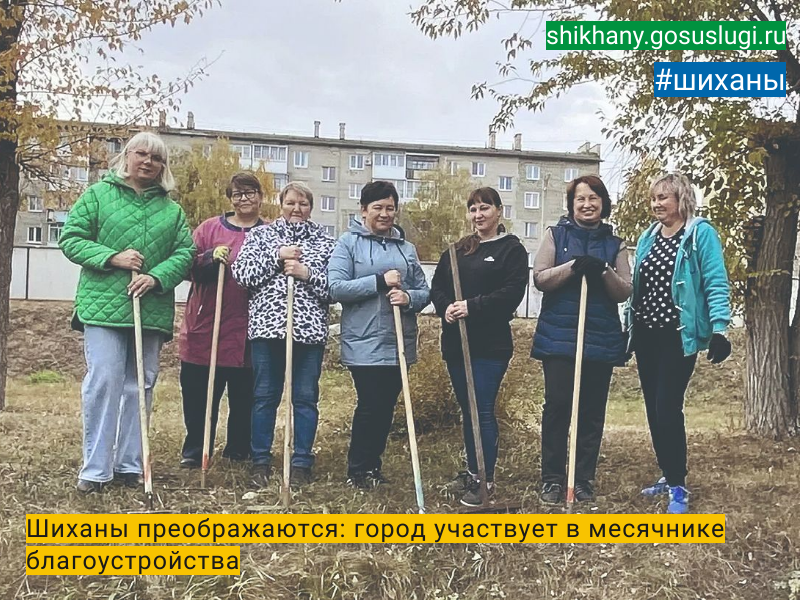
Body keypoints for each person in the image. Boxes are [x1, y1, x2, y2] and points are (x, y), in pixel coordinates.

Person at [60, 131, 194, 493]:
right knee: (104, 381)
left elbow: (184, 254)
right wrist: (111, 257)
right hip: (102, 307)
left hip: (148, 309)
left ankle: (130, 463)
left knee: (141, 385)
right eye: (142, 154)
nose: (148, 162)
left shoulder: (172, 210)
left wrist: (156, 276)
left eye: (157, 158)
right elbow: (71, 238)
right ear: (127, 157)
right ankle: (95, 469)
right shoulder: (98, 195)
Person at [625, 173, 731, 514]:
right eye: (654, 198)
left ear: (681, 199)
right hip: (646, 334)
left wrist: (720, 328)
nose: (657, 204)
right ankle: (668, 473)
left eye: (664, 198)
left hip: (677, 336)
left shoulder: (700, 233)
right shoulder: (648, 236)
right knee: (654, 411)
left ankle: (678, 487)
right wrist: (628, 328)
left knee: (668, 408)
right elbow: (636, 286)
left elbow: (715, 281)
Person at [531, 175, 632, 505]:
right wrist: (574, 267)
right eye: (580, 199)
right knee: (558, 408)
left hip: (599, 339)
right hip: (559, 338)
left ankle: (583, 479)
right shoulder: (555, 235)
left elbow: (623, 291)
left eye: (593, 198)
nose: (587, 204)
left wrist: (603, 270)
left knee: (591, 412)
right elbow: (541, 278)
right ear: (571, 204)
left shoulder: (615, 244)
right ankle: (552, 479)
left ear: (603, 202)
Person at [231, 181, 336, 484]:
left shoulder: (325, 241)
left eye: (303, 204)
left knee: (305, 398)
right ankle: (260, 460)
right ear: (281, 204)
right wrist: (277, 256)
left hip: (309, 332)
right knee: (265, 396)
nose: (296, 209)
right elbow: (243, 275)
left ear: (310, 208)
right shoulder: (261, 236)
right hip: (267, 329)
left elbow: (335, 289)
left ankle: (302, 461)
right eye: (291, 203)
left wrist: (307, 273)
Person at [430, 187, 529, 507]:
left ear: (499, 211)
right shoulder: (457, 250)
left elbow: (512, 293)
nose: (478, 215)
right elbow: (438, 287)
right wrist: (445, 307)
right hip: (456, 343)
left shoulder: (511, 249)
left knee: (481, 409)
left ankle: (486, 479)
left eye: (485, 208)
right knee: (467, 410)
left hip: (490, 345)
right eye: (473, 209)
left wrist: (472, 306)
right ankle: (473, 472)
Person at [328, 180, 430, 489]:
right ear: (363, 211)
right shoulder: (348, 243)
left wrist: (409, 298)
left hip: (398, 340)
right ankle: (359, 469)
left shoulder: (406, 248)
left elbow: (424, 291)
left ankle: (373, 466)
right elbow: (336, 288)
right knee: (371, 403)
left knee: (386, 406)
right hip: (364, 341)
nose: (385, 214)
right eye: (378, 208)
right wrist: (379, 281)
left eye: (390, 208)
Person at [177, 173, 267, 469]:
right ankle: (195, 449)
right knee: (200, 396)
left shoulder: (269, 232)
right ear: (230, 199)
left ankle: (239, 448)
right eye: (238, 194)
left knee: (245, 397)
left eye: (250, 192)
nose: (244, 199)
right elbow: (185, 266)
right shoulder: (209, 229)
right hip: (207, 326)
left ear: (260, 196)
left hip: (250, 329)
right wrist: (208, 258)